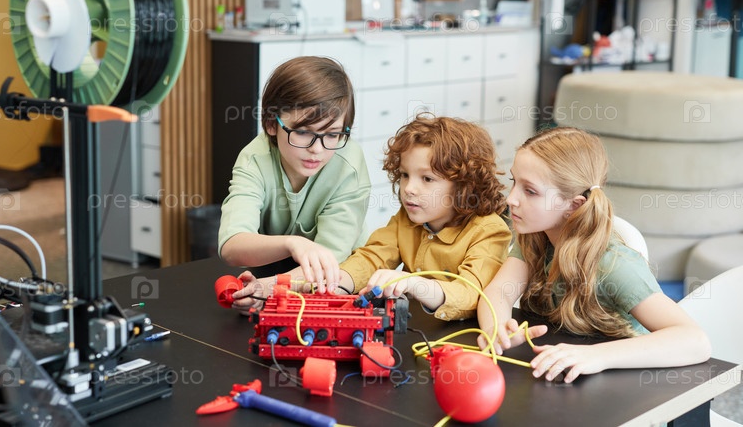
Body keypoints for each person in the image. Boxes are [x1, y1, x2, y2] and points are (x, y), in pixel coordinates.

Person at [476, 126, 711, 383]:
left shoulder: (615, 265)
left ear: (574, 205)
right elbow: (500, 292)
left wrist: (596, 356)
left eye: (530, 191)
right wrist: (496, 328)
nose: (511, 199)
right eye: (514, 182)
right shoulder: (535, 237)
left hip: (630, 387)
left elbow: (695, 341)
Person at [232, 115, 512, 320]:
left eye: (427, 179)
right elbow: (367, 260)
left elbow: (470, 294)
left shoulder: (490, 231)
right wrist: (284, 287)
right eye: (405, 175)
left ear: (465, 186)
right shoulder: (407, 220)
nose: (409, 188)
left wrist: (413, 283)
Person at [218, 56, 371, 292]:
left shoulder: (348, 165)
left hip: (338, 279)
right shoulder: (255, 159)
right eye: (302, 132)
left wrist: (266, 289)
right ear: (272, 123)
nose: (316, 149)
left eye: (332, 134)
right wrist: (293, 244)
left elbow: (326, 264)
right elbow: (231, 245)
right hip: (276, 274)